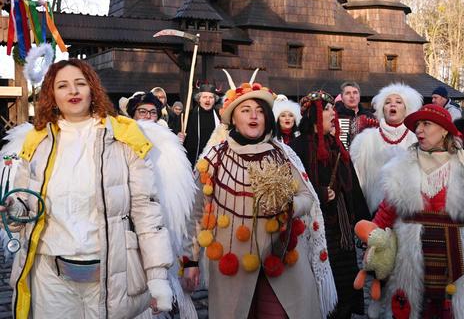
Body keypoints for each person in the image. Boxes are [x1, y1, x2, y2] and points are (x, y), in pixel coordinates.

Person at [0, 59, 175, 319]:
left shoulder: (125, 137)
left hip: (109, 279)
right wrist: (13, 209)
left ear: (92, 89)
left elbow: (146, 209)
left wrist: (158, 275)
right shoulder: (36, 142)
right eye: (63, 85)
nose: (73, 91)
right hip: (50, 280)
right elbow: (25, 203)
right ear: (51, 94)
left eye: (80, 83)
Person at [185, 73, 337, 319]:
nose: (254, 115)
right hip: (232, 261)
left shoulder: (282, 154)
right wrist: (191, 261)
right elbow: (197, 213)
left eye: (259, 110)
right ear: (233, 117)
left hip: (280, 258)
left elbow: (306, 197)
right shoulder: (214, 158)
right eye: (245, 110)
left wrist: (289, 205)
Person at [366, 104, 464, 318]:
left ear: (445, 130)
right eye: (417, 125)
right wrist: (372, 245)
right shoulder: (400, 168)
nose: (419, 130)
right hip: (409, 262)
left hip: (459, 262)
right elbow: (386, 213)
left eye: (426, 124)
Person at [290, 90, 370, 319]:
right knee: (318, 283)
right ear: (313, 115)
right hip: (313, 230)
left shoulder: (337, 146)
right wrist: (318, 193)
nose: (331, 113)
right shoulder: (297, 148)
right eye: (325, 109)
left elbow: (353, 188)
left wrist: (366, 226)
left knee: (344, 285)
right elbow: (290, 190)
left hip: (341, 230)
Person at [350, 83, 422, 213]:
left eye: (399, 102)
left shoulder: (417, 140)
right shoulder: (365, 141)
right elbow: (357, 180)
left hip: (409, 214)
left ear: (407, 108)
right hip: (372, 213)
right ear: (382, 109)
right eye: (388, 102)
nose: (392, 105)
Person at [182, 83, 220, 167]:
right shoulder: (188, 115)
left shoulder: (219, 115)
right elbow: (178, 132)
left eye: (211, 97)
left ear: (214, 100)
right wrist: (179, 136)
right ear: (199, 99)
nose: (208, 100)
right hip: (192, 161)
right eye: (204, 97)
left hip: (214, 160)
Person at [334, 81, 375, 150]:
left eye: (355, 93)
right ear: (342, 98)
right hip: (341, 157)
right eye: (347, 93)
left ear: (359, 96)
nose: (352, 96)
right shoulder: (335, 116)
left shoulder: (369, 116)